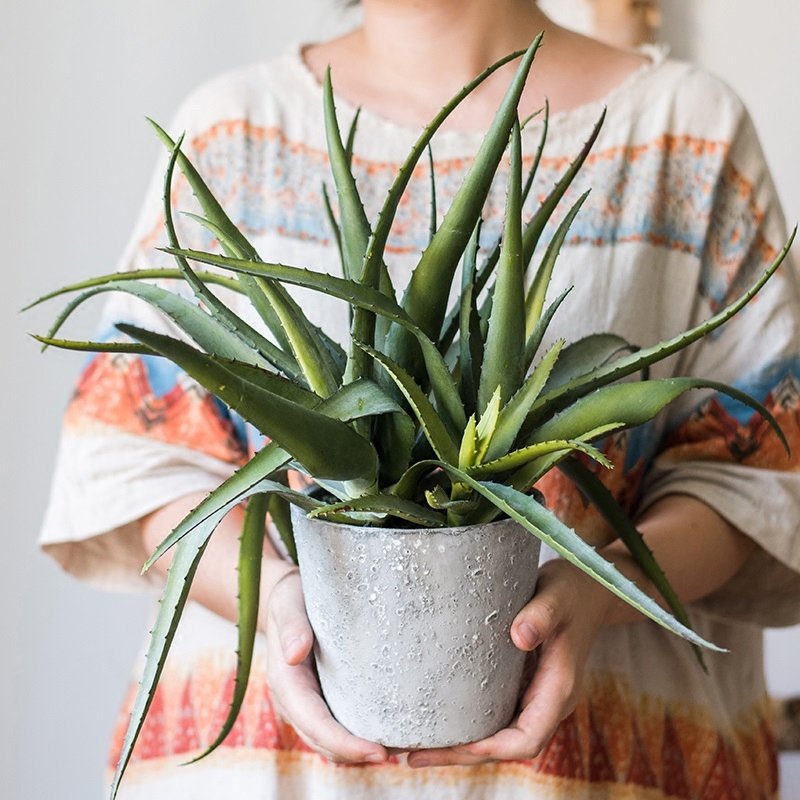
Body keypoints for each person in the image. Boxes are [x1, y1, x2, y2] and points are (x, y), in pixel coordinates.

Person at [39, 1, 800, 797]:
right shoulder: (233, 128)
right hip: (262, 772)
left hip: (599, 768)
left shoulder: (686, 126)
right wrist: (284, 606)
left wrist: (597, 593)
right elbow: (131, 460)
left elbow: (757, 472)